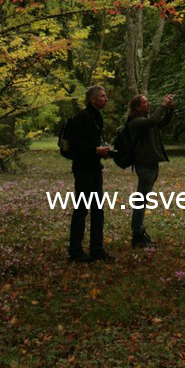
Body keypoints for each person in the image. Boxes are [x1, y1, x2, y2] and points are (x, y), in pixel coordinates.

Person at [67, 84, 114, 263]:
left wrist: (104, 152)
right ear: (92, 99)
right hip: (83, 170)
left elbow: (94, 142)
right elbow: (75, 144)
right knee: (81, 209)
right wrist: (95, 150)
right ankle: (75, 251)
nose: (106, 99)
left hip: (95, 169)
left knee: (98, 210)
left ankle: (97, 248)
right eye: (102, 96)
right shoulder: (82, 117)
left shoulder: (97, 117)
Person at [126, 92, 175, 248]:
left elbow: (161, 122)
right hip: (144, 165)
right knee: (141, 201)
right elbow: (154, 119)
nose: (148, 104)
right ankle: (137, 234)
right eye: (145, 103)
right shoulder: (136, 122)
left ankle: (139, 233)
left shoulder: (146, 121)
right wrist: (163, 105)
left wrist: (170, 110)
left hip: (151, 164)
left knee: (143, 200)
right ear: (137, 108)